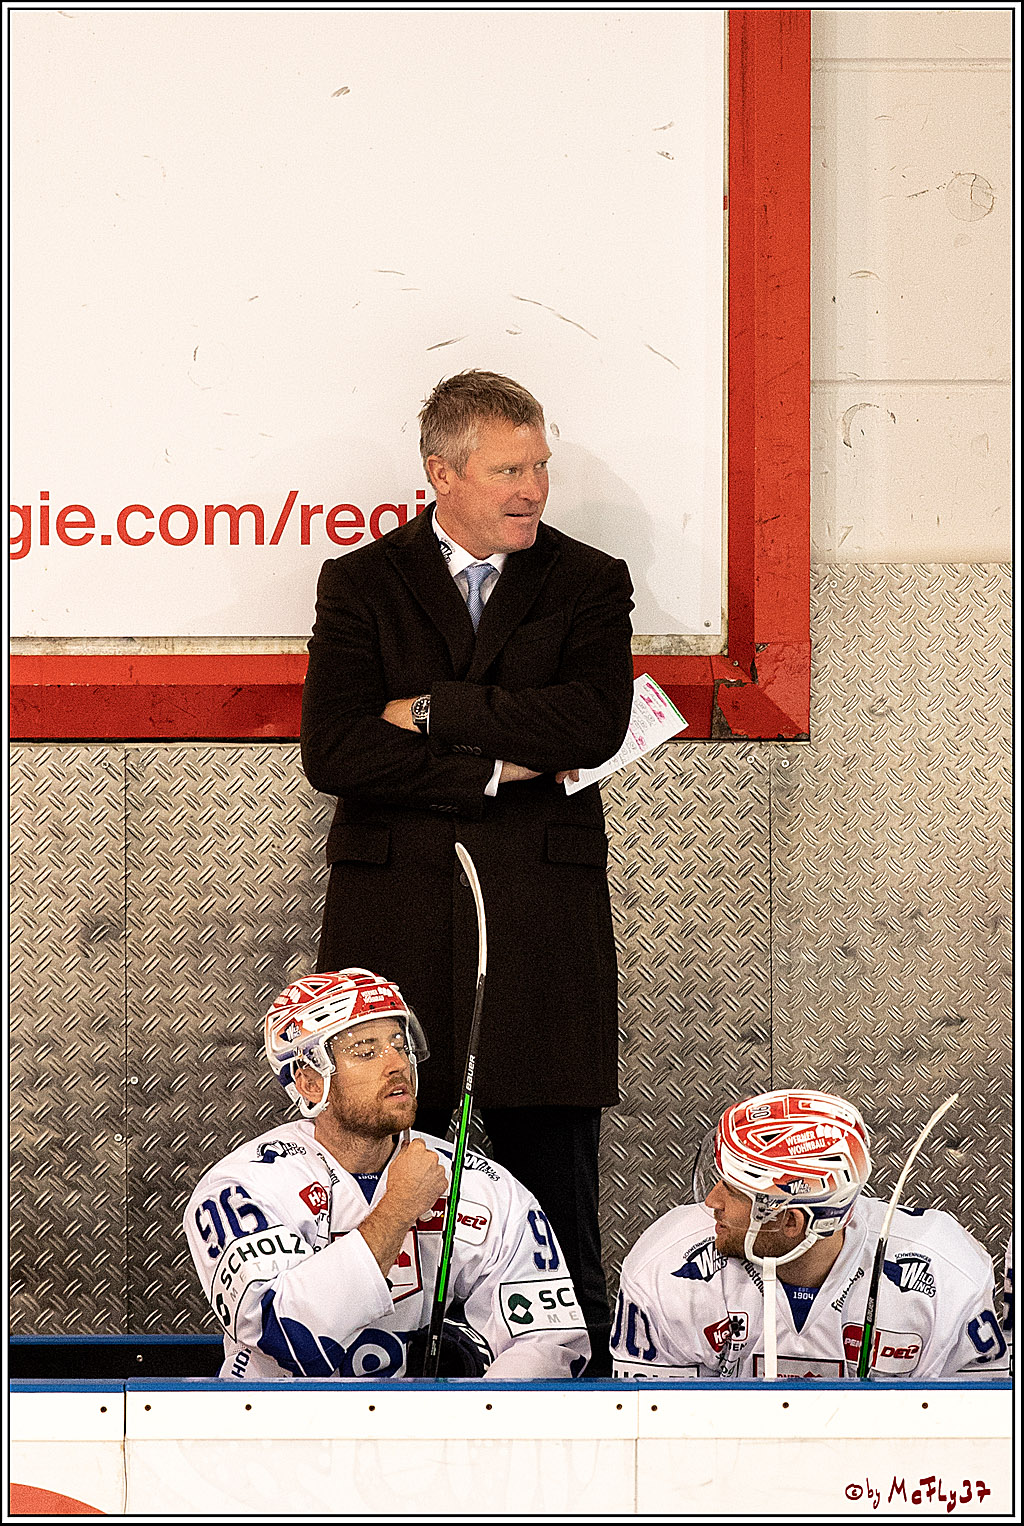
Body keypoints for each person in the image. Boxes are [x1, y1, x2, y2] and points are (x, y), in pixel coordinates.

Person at [299, 370, 635, 1372]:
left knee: (549, 1155)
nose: (531, 486)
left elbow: (589, 722)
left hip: (540, 911)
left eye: (538, 464)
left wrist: (434, 711)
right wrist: (496, 765)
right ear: (441, 473)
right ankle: (368, 1362)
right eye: (507, 470)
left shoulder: (587, 578)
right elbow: (336, 751)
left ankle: (579, 1375)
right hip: (393, 903)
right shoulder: (358, 581)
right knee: (387, 1144)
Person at [183, 969, 590, 1380]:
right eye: (366, 1051)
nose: (397, 1065)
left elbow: (549, 1343)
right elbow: (290, 1338)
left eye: (400, 1044)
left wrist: (464, 1424)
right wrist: (398, 1209)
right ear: (309, 1082)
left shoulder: (488, 1188)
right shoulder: (240, 1190)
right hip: (282, 1435)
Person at [611, 1088, 1008, 1380]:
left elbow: (975, 1437)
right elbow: (656, 1439)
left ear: (791, 1223)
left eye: (731, 1191)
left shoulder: (947, 1276)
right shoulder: (665, 1267)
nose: (711, 1202)